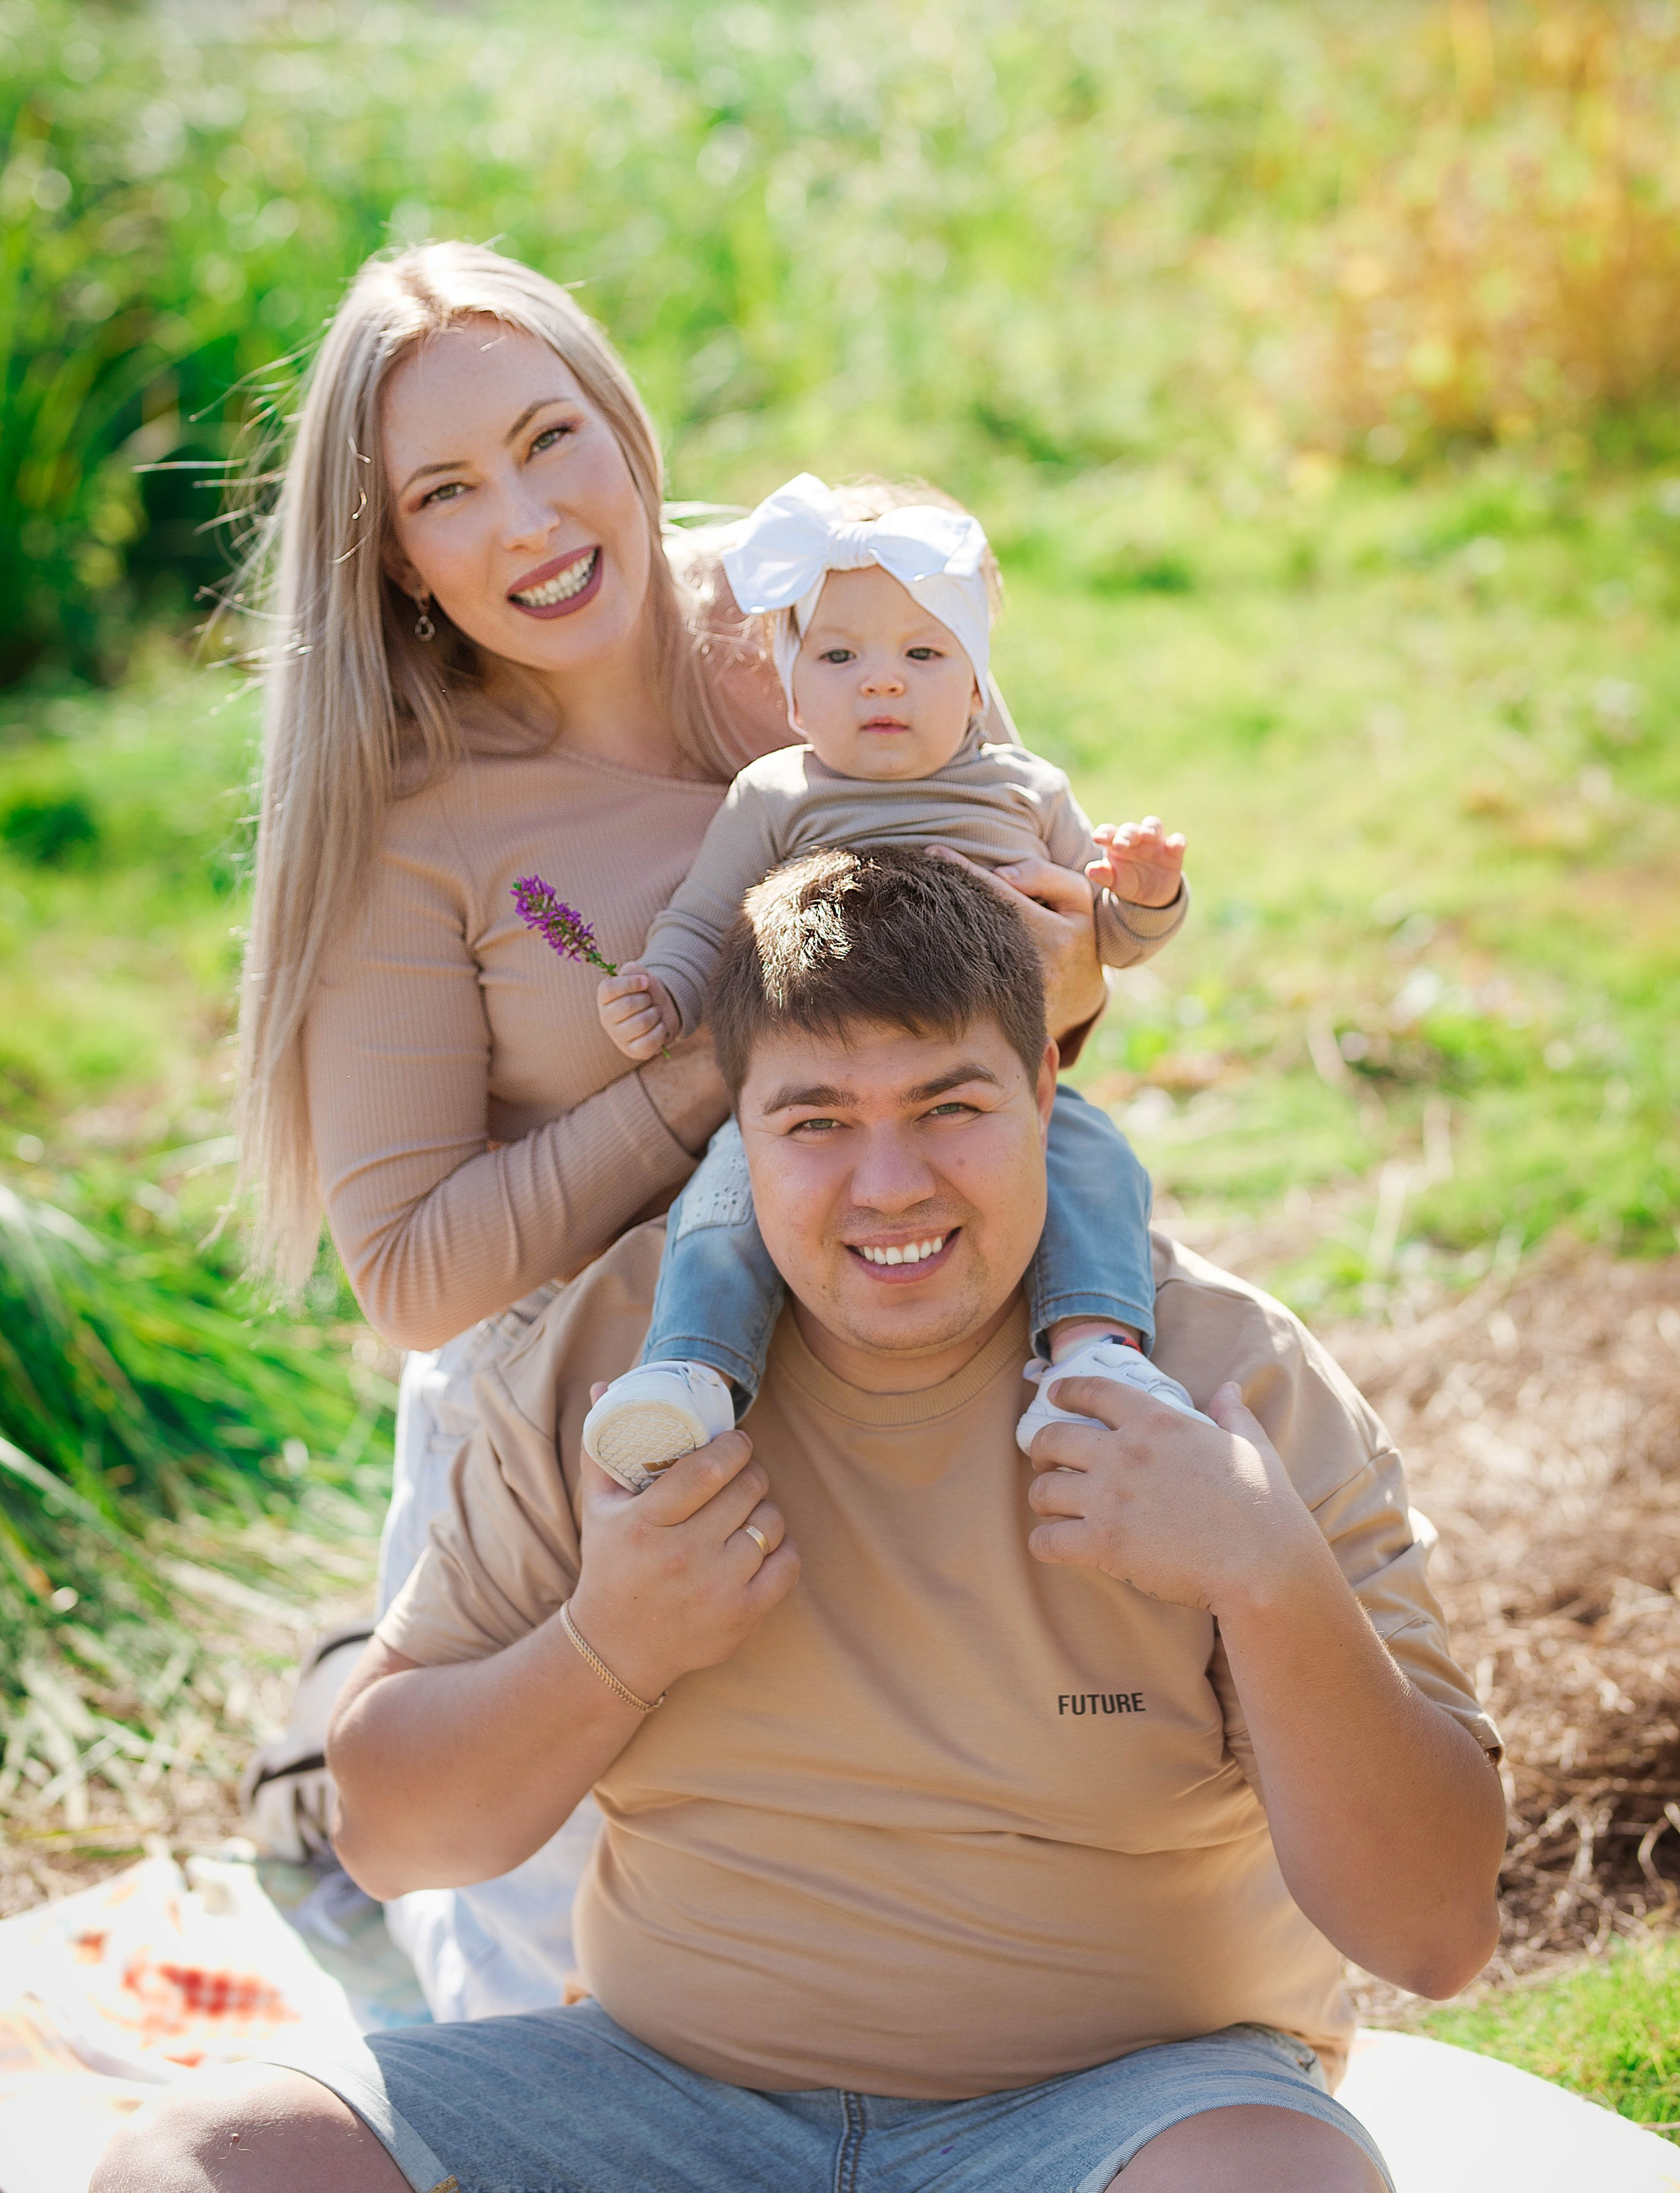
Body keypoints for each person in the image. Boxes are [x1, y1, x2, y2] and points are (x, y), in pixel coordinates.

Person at [106, 850, 1508, 2193]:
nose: (888, 1184)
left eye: (947, 1106)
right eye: (817, 1120)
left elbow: (1432, 1931)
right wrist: (610, 1644)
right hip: (667, 2104)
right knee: (202, 2162)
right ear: (736, 1125)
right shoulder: (618, 1359)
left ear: (1041, 1086)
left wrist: (1261, 1573)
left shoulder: (1218, 1376)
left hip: (1128, 2107)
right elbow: (389, 1840)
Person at [233, 238, 1122, 2014]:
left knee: (895, 1964)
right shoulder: (417, 820)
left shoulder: (831, 617)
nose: (532, 519)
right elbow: (413, 1275)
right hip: (579, 1441)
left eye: (554, 436)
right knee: (545, 2010)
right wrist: (721, 1058)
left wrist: (1077, 948)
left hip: (888, 1372)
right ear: (393, 550)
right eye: (448, 491)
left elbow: (1039, 1010)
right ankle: (327, 1800)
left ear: (627, 426)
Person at [581, 469, 1198, 1498]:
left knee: (1091, 1162)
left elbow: (1107, 938)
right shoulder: (778, 792)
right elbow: (703, 916)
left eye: (923, 654)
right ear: (790, 683)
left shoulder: (1023, 787)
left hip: (981, 1072)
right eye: (839, 655)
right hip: (821, 1081)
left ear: (975, 681)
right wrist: (667, 991)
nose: (881, 681)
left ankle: (1094, 1354)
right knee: (730, 1192)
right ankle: (687, 1369)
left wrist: (1142, 896)